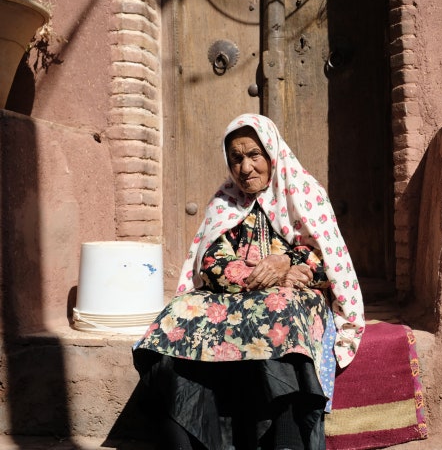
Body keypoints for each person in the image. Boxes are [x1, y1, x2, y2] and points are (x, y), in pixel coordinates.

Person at [133, 114, 365, 450]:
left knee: (278, 310)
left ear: (271, 154)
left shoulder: (304, 192)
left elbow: (326, 259)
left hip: (296, 298)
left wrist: (289, 261)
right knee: (175, 316)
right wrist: (269, 274)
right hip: (235, 294)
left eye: (254, 155)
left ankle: (284, 440)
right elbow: (211, 263)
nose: (245, 168)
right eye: (236, 158)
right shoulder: (224, 202)